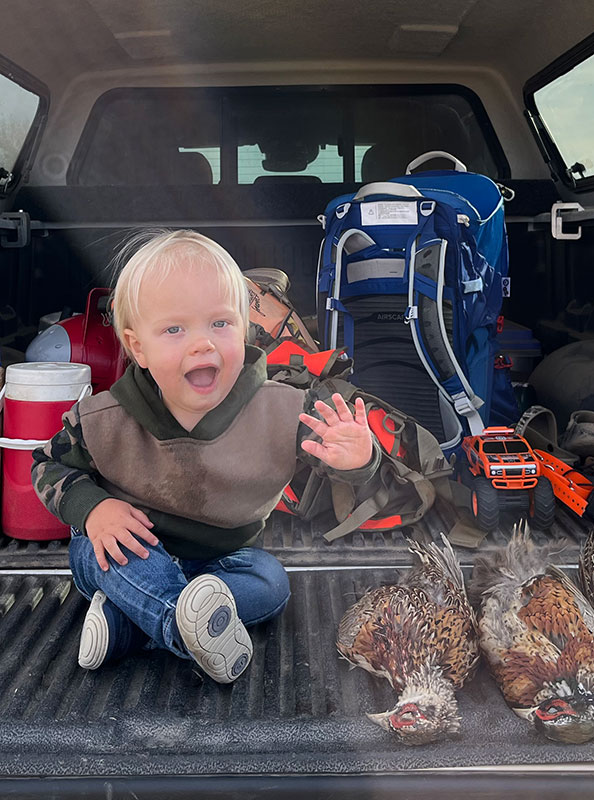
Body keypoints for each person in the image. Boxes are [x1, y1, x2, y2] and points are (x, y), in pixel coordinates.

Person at [31, 229, 378, 684]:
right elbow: (46, 465)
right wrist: (94, 509)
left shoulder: (283, 408)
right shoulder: (102, 418)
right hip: (130, 547)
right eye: (175, 329)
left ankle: (128, 627)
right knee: (104, 554)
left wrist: (356, 457)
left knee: (271, 583)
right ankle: (182, 628)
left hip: (224, 561)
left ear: (244, 327)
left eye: (220, 323)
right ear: (139, 348)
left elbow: (328, 456)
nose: (203, 344)